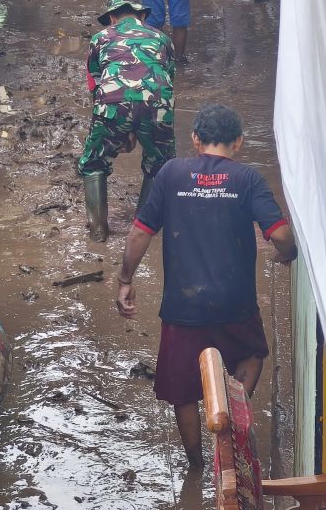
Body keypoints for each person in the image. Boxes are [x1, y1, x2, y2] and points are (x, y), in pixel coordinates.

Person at [115, 104, 296, 469]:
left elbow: (140, 233)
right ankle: (228, 421)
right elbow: (279, 234)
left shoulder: (170, 174)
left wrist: (125, 279)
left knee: (182, 389)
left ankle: (198, 466)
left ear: (195, 139)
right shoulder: (248, 179)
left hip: (183, 308)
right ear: (240, 142)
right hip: (235, 303)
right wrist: (287, 255)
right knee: (251, 355)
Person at [77, 0, 177, 243]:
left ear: (111, 17)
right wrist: (137, 127)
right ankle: (142, 232)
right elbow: (167, 79)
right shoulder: (162, 39)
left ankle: (98, 232)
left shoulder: (100, 39)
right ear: (141, 15)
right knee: (160, 166)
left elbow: (97, 84)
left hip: (111, 105)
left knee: (93, 164)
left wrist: (121, 129)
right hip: (157, 104)